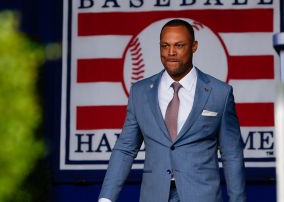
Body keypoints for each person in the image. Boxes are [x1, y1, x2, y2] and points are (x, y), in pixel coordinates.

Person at [98, 19, 246, 202]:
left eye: (179, 45)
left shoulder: (220, 93)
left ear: (194, 47)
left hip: (202, 195)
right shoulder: (140, 92)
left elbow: (232, 153)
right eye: (165, 46)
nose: (171, 53)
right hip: (154, 196)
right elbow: (125, 149)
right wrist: (106, 199)